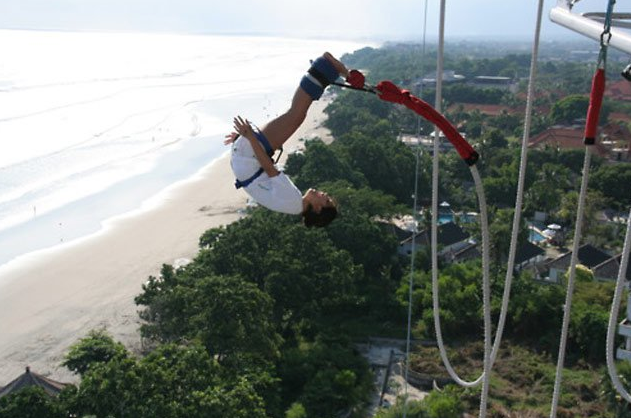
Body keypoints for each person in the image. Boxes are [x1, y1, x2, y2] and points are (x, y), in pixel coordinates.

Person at [225, 52, 365, 227]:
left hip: (249, 156)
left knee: (296, 115)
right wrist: (242, 140)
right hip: (246, 158)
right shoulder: (294, 204)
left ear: (318, 209)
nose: (324, 194)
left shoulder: (293, 201)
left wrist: (249, 137)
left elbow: (269, 169)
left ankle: (327, 68)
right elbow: (265, 172)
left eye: (326, 199)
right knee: (296, 116)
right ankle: (327, 72)